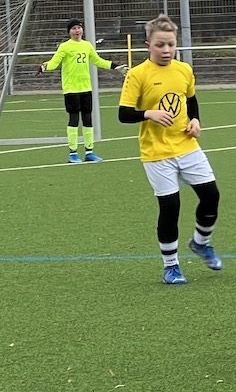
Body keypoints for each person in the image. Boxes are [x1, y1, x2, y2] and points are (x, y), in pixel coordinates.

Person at [118, 15, 223, 284]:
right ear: (148, 46)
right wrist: (149, 113)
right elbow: (124, 114)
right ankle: (171, 266)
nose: (166, 50)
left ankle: (201, 242)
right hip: (156, 153)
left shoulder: (184, 70)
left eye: (171, 44)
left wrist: (195, 120)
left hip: (186, 145)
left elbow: (191, 100)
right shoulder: (137, 75)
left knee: (211, 195)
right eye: (160, 45)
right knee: (170, 207)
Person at [38, 18, 127, 163]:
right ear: (69, 32)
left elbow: (98, 61)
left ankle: (89, 152)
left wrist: (115, 66)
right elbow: (55, 62)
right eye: (74, 28)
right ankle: (73, 153)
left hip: (86, 88)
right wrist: (44, 66)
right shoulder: (65, 47)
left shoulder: (87, 45)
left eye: (79, 28)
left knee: (88, 119)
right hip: (71, 89)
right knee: (74, 120)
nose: (77, 31)